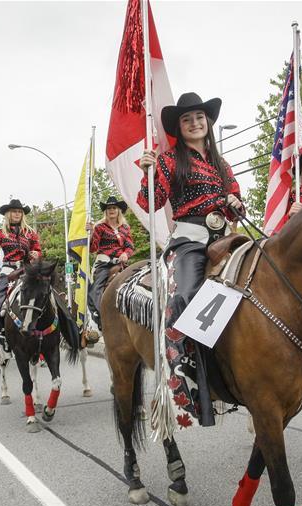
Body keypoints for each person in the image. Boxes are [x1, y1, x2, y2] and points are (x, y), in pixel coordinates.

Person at [138, 92, 242, 426]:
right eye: (187, 119)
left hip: (226, 235)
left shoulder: (219, 162)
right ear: (179, 128)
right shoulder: (169, 160)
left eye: (199, 117)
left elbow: (237, 200)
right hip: (190, 239)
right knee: (185, 297)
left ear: (207, 122)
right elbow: (149, 202)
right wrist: (149, 173)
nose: (195, 123)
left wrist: (235, 204)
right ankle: (187, 376)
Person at [0, 197, 42, 352]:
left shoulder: (30, 233)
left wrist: (36, 254)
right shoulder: (0, 234)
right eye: (14, 212)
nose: (17, 214)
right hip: (8, 272)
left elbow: (38, 249)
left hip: (27, 269)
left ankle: (54, 332)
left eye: (19, 212)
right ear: (8, 214)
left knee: (45, 295)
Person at [86, 196, 135, 330]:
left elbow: (130, 246)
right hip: (104, 263)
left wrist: (126, 254)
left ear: (119, 210)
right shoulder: (99, 227)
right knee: (95, 289)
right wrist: (90, 234)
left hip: (120, 263)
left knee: (135, 281)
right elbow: (93, 248)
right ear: (105, 211)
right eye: (108, 208)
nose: (111, 210)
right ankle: (101, 315)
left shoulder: (125, 228)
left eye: (114, 208)